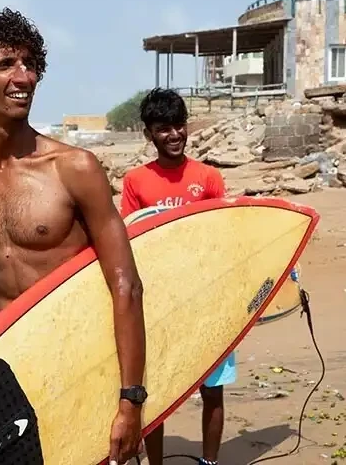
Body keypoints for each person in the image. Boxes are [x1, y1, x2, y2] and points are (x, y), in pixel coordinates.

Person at [0, 8, 147, 465]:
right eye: (5, 64)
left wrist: (130, 398)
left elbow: (125, 284)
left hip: (81, 359)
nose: (23, 76)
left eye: (29, 64)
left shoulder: (74, 168)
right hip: (6, 367)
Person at [119, 88, 235, 465]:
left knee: (213, 389)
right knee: (155, 393)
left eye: (179, 126)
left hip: (209, 297)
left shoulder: (209, 177)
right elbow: (131, 238)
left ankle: (210, 462)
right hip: (161, 303)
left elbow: (226, 234)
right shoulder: (136, 181)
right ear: (149, 133)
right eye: (163, 128)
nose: (174, 135)